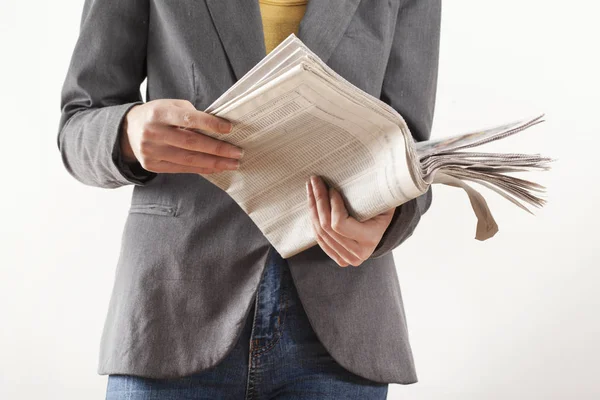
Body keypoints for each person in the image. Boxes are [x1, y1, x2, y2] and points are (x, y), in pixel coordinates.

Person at [57, 0, 441, 398]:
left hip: (342, 321)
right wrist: (127, 131)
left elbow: (414, 152)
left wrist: (390, 221)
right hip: (172, 307)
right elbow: (77, 125)